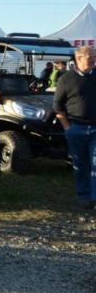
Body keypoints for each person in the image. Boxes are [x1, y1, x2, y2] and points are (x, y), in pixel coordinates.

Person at [54, 46, 96, 210]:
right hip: (76, 128)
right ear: (78, 58)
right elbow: (57, 104)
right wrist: (67, 127)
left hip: (95, 129)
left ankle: (94, 198)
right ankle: (84, 196)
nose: (93, 59)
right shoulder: (66, 79)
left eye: (94, 56)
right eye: (90, 56)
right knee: (80, 164)